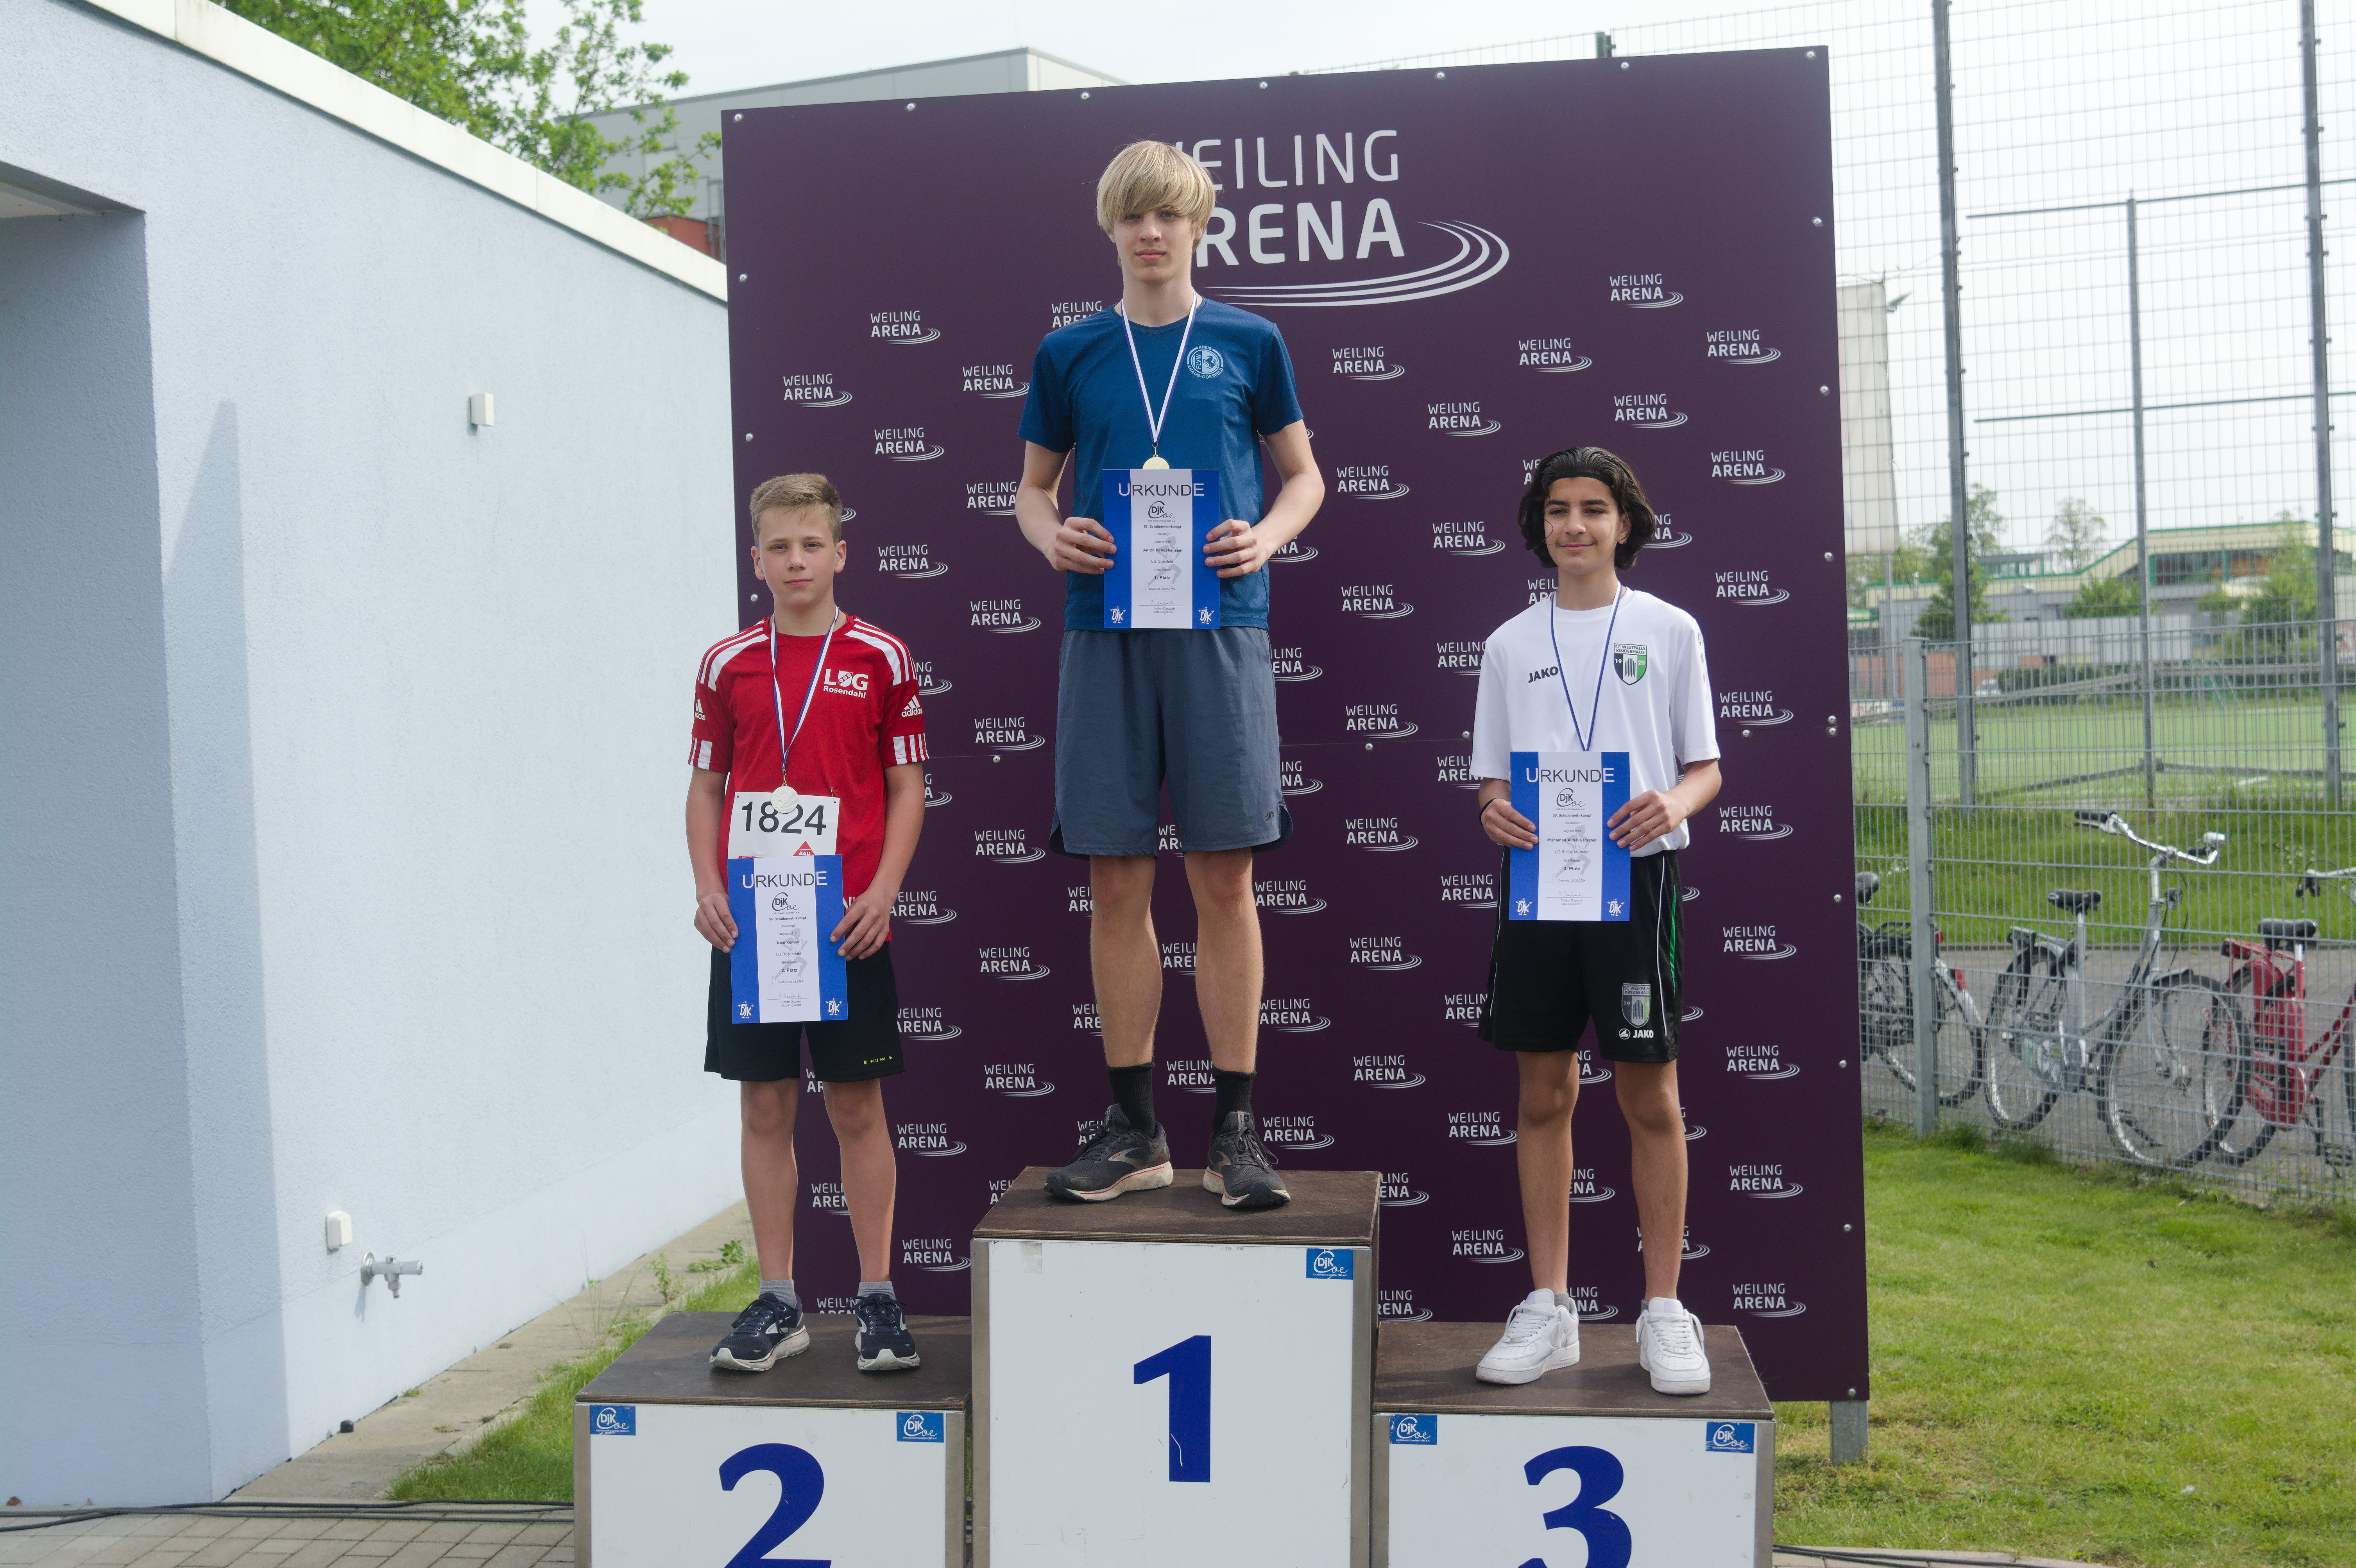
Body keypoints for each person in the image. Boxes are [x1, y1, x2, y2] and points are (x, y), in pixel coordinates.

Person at [1013, 140, 1324, 1209]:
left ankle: (1233, 1128)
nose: (1151, 232)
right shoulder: (1070, 351)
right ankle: (1135, 1127)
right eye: (1133, 217)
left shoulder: (1249, 339)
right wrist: (1053, 540)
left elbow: (1304, 478)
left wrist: (1266, 539)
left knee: (1224, 877)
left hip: (1219, 627)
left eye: (1170, 216)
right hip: (1102, 632)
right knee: (1113, 878)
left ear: (1199, 226)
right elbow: (1029, 492)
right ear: (1111, 229)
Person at [1468, 446, 1724, 1395]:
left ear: (1625, 523)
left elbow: (1704, 766)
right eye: (1557, 509)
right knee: (1542, 1094)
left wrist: (1673, 803)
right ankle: (1549, 1305)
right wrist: (1491, 809)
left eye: (1593, 508)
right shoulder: (1506, 644)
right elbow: (1492, 782)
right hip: (1538, 888)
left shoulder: (1668, 629)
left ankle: (1662, 1308)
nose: (1573, 525)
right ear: (1537, 523)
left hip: (1636, 887)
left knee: (1649, 1096)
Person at [685, 474, 931, 1372]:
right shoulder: (726, 663)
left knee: (859, 1108)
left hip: (845, 925)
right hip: (754, 925)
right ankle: (778, 1299)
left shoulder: (881, 657)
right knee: (764, 1105)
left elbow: (909, 788)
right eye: (778, 547)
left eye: (810, 543)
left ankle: (877, 1298)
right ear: (756, 561)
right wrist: (709, 884)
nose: (796, 560)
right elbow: (706, 786)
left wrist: (884, 892)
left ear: (839, 553)